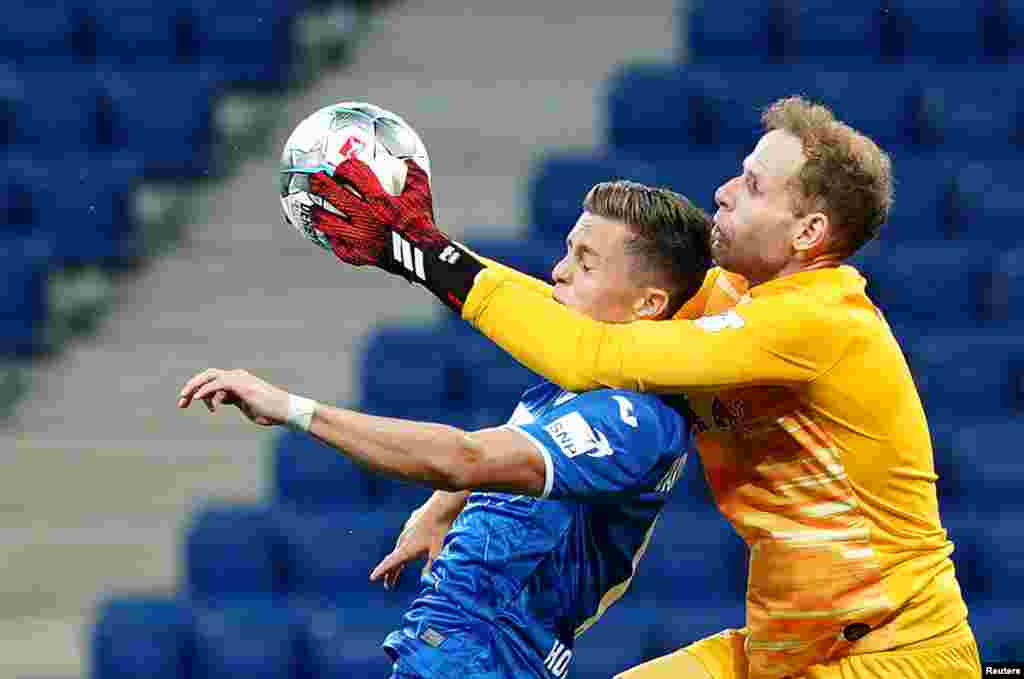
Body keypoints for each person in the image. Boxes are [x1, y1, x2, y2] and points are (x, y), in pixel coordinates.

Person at [310, 96, 981, 679]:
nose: (722, 190)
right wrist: (419, 250)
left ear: (808, 232)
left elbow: (583, 353)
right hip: (789, 646)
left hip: (895, 650)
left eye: (752, 186)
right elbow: (572, 313)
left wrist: (424, 255)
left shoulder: (820, 323)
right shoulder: (731, 302)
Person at [177, 180, 713, 679]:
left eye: (585, 263)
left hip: (490, 656)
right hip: (460, 647)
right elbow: (503, 461)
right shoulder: (578, 382)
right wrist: (442, 507)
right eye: (568, 250)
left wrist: (292, 408)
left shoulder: (635, 419)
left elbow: (465, 458)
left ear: (648, 305)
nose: (558, 271)